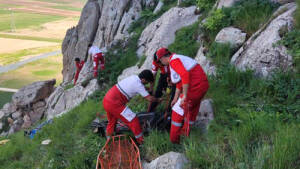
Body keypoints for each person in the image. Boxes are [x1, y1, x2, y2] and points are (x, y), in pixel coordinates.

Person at [156, 47, 209, 144]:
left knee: (177, 111)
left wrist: (184, 96)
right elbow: (179, 83)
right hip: (202, 86)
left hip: (195, 87)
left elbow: (184, 75)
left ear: (163, 58)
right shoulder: (177, 58)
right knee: (192, 109)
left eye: (160, 61)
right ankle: (186, 135)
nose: (161, 63)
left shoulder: (174, 61)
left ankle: (174, 141)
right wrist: (175, 98)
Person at [102, 70, 159, 144]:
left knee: (112, 121)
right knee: (133, 120)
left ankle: (109, 139)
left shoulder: (134, 78)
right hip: (114, 103)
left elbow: (140, 88)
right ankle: (141, 141)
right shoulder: (139, 85)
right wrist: (158, 99)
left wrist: (146, 89)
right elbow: (150, 99)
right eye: (147, 82)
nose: (147, 84)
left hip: (107, 99)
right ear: (143, 79)